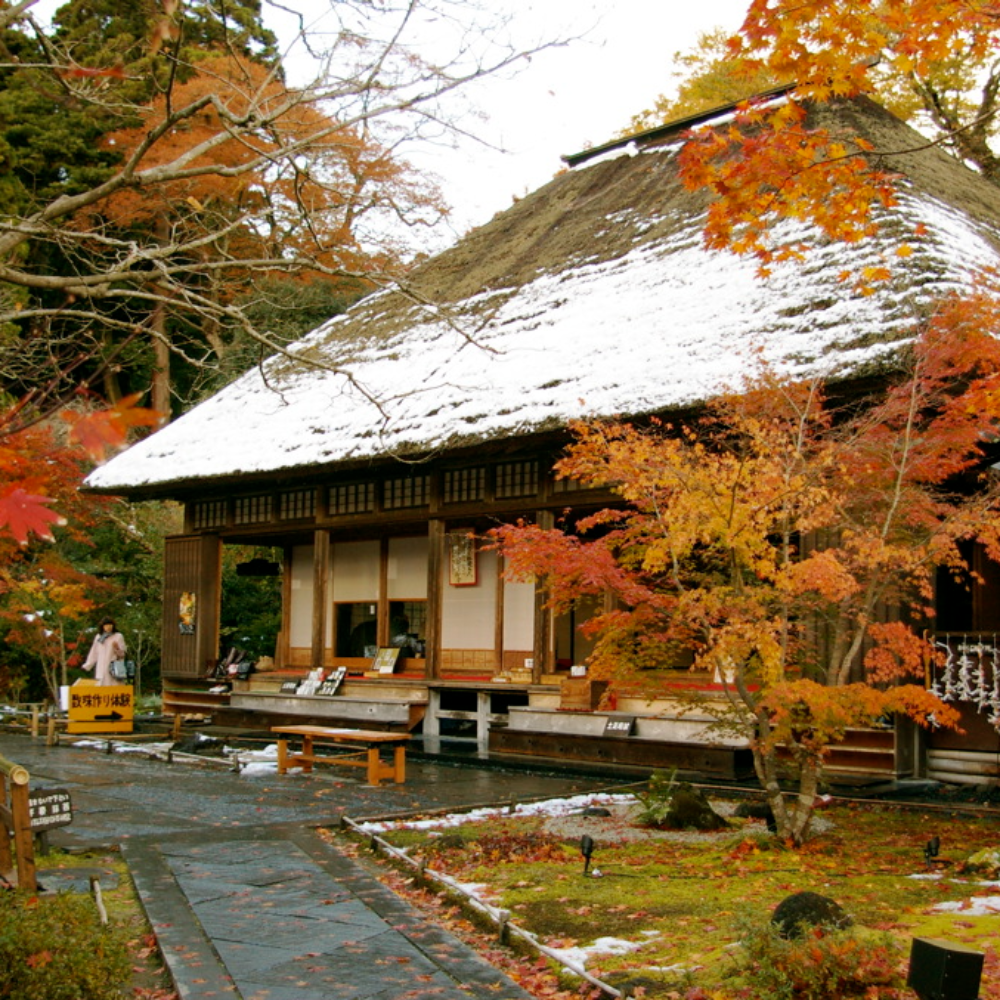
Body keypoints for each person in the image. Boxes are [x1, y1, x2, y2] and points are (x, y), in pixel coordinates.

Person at [81, 617, 127, 686]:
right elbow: (94, 652)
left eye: (110, 625)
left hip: (113, 667)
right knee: (101, 686)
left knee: (114, 687)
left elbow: (122, 654)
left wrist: (117, 648)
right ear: (102, 627)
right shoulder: (99, 637)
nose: (108, 627)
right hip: (101, 667)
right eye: (106, 625)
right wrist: (88, 665)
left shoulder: (118, 636)